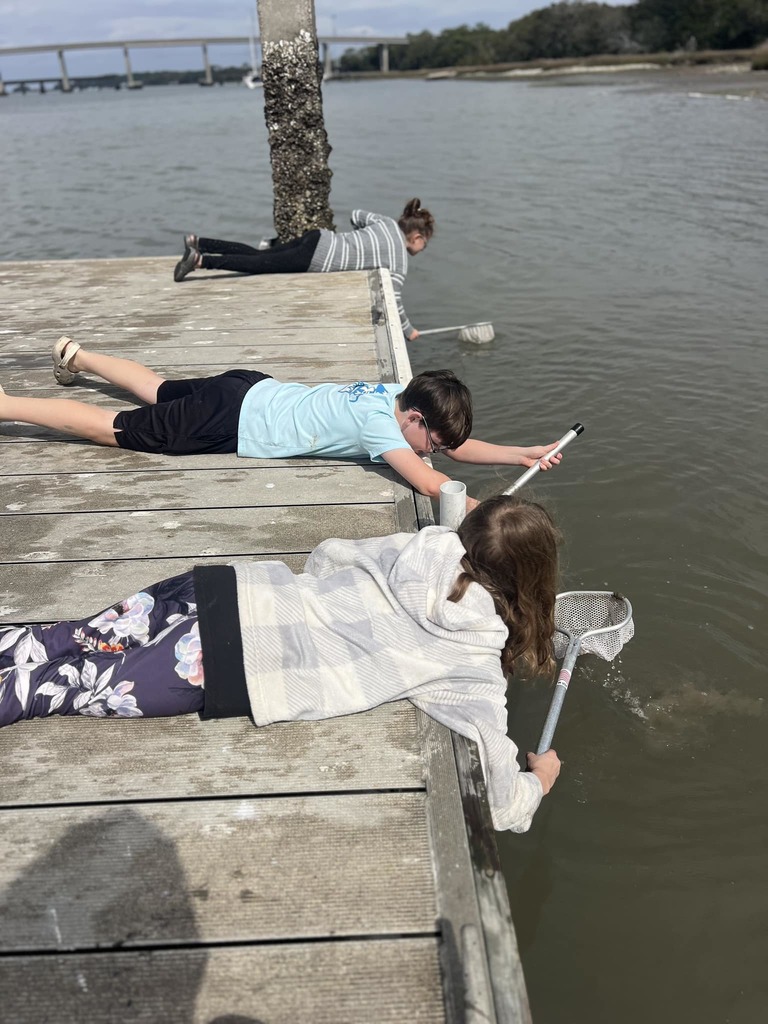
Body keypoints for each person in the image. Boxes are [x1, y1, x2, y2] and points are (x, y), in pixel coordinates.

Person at [0, 495, 562, 833]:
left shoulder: (422, 546)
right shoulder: (472, 662)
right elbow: (498, 795)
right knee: (48, 690)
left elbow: (328, 554)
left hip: (218, 588)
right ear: (530, 582)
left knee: (59, 642)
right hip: (225, 664)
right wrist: (537, 782)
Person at [0, 338, 562, 509]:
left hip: (250, 385)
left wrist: (523, 454)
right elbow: (434, 484)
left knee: (159, 389)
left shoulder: (398, 392)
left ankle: (75, 355)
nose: (433, 450)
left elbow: (455, 452)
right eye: (431, 440)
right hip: (233, 418)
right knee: (113, 427)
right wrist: (493, 512)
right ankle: (7, 403)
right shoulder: (382, 430)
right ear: (415, 419)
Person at [173, 198, 435, 341]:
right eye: (425, 244)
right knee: (257, 265)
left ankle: (200, 242)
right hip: (317, 259)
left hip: (320, 238)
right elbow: (395, 301)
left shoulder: (386, 222)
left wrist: (361, 242)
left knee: (259, 255)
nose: (422, 250)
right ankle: (199, 261)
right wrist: (409, 331)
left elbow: (356, 215)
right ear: (418, 238)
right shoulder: (399, 262)